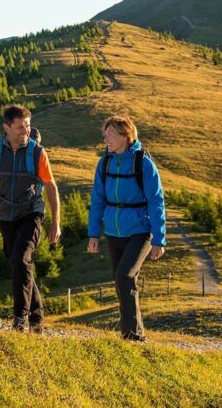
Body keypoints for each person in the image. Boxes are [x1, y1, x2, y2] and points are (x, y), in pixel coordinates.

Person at [0, 105, 60, 333]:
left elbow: (51, 187)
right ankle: (37, 317)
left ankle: (20, 319)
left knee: (21, 260)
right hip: (6, 217)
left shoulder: (37, 153)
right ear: (6, 128)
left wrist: (55, 222)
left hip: (31, 214)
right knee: (20, 264)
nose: (25, 131)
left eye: (28, 126)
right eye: (20, 127)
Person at [86, 114, 166, 342]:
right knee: (122, 282)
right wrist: (93, 234)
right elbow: (97, 200)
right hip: (113, 231)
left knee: (124, 276)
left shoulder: (144, 164)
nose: (106, 140)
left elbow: (156, 201)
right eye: (105, 135)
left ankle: (132, 335)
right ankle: (134, 331)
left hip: (140, 231)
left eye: (110, 134)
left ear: (125, 135)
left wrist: (159, 239)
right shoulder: (105, 163)